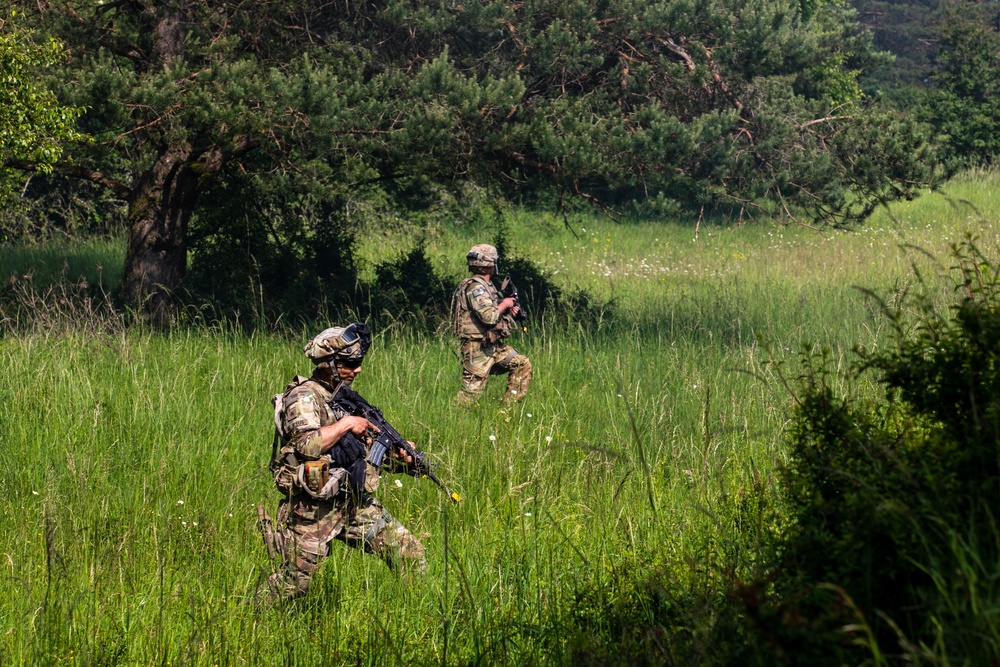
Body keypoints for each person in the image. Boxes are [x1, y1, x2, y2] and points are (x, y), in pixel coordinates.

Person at [259, 323, 426, 600]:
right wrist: (348, 424)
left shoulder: (342, 398)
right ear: (330, 364)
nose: (358, 369)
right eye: (351, 363)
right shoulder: (303, 396)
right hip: (313, 510)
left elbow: (358, 452)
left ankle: (418, 613)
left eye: (359, 362)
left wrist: (397, 455)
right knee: (295, 583)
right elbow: (307, 444)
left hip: (353, 502)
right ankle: (252, 616)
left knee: (411, 555)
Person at [451, 244, 532, 406]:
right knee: (470, 396)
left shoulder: (486, 286)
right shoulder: (476, 287)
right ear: (490, 264)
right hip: (477, 348)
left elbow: (493, 316)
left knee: (521, 363)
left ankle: (507, 411)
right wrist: (506, 304)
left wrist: (509, 313)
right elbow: (489, 317)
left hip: (492, 345)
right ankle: (452, 419)